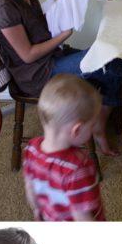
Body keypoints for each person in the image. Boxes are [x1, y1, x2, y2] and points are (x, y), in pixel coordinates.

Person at [0, 0, 122, 156]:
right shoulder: (4, 9)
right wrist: (64, 34)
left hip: (53, 58)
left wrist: (66, 2)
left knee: (117, 59)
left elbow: (40, 28)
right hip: (38, 74)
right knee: (113, 64)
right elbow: (27, 55)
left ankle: (98, 122)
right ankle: (99, 127)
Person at [23, 74, 105, 221]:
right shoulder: (77, 168)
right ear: (76, 130)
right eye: (91, 126)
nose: (92, 130)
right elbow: (82, 217)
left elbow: (30, 187)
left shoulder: (31, 149)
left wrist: (37, 210)